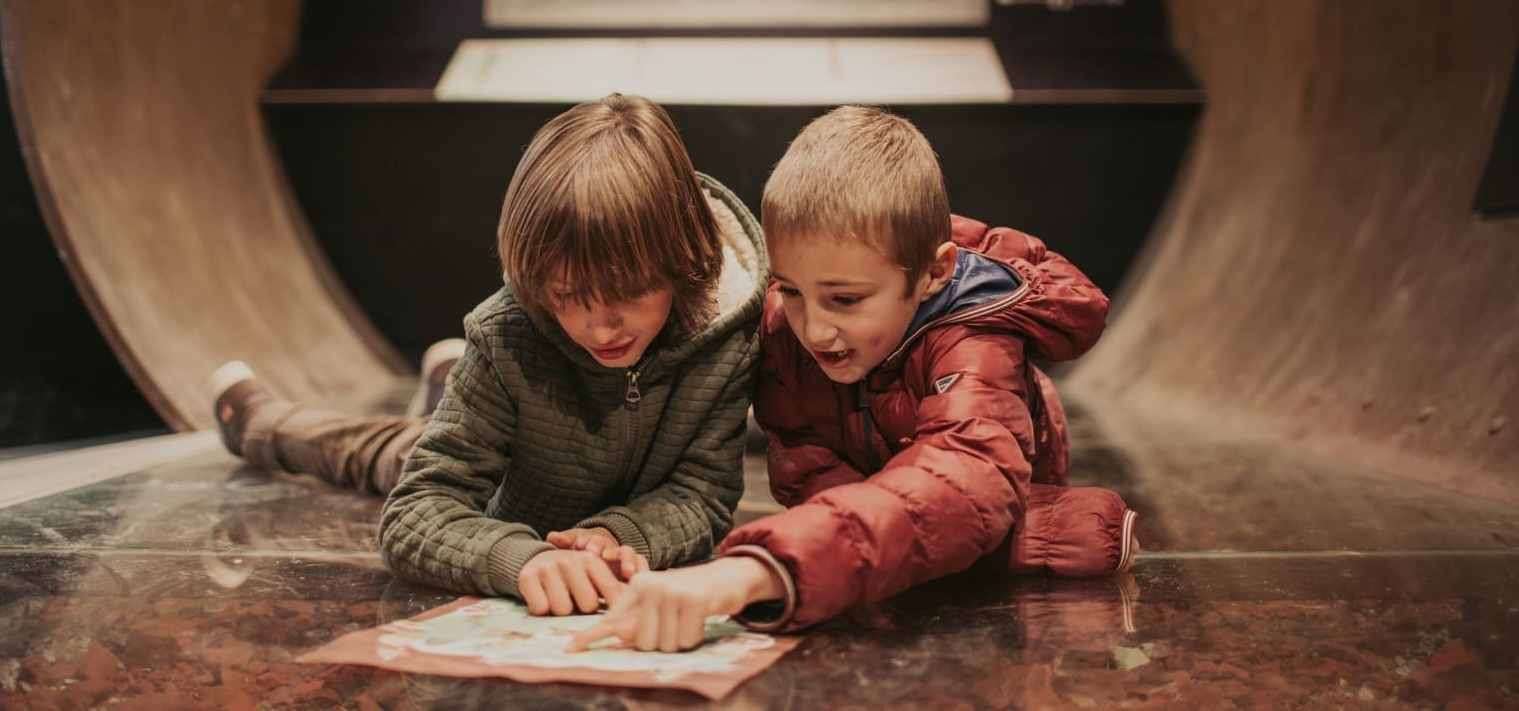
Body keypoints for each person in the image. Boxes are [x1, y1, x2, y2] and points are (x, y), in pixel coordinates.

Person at [569, 105, 1137, 652]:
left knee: (1072, 534)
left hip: (999, 461)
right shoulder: (782, 328)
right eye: (791, 290)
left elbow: (963, 478)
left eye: (845, 299)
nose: (814, 330)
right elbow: (806, 466)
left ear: (935, 272)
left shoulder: (975, 341)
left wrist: (759, 569)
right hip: (873, 498)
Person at [208, 94, 769, 618]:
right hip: (503, 488)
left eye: (628, 293)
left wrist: (619, 534)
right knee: (377, 453)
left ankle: (443, 388)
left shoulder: (727, 335)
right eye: (568, 296)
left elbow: (703, 494)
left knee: (439, 422)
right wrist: (521, 557)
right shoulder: (506, 338)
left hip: (545, 459)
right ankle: (258, 422)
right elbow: (415, 511)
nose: (599, 328)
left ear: (683, 259)